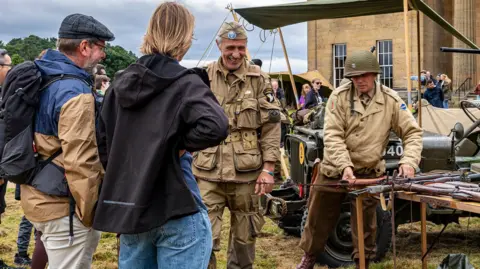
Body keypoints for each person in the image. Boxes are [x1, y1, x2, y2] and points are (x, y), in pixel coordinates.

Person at [93, 3, 228, 269]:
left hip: (131, 202)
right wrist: (174, 145)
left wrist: (144, 157)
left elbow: (103, 143)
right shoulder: (184, 82)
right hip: (175, 202)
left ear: (149, 33)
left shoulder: (119, 84)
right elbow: (217, 125)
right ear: (186, 38)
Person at [296, 50, 423, 269]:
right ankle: (309, 257)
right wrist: (345, 166)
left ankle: (361, 263)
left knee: (366, 227)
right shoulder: (339, 96)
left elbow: (412, 132)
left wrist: (408, 161)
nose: (359, 80)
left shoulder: (391, 100)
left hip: (368, 171)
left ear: (375, 74)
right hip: (334, 169)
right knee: (316, 219)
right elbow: (332, 134)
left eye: (364, 75)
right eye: (354, 76)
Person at [20, 13, 113, 268]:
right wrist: (90, 214)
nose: (103, 55)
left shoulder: (42, 75)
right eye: (101, 48)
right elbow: (81, 160)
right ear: (85, 47)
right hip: (65, 209)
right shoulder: (74, 90)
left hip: (36, 196)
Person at [193, 21, 281, 269]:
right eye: (230, 47)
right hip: (208, 171)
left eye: (241, 48)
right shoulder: (202, 77)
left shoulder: (259, 79)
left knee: (245, 241)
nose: (235, 54)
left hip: (248, 174)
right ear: (219, 45)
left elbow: (272, 127)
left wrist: (269, 168)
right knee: (204, 238)